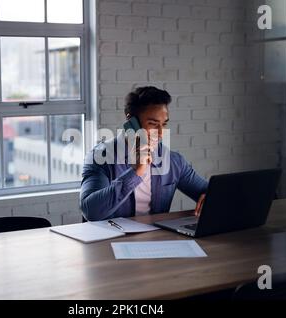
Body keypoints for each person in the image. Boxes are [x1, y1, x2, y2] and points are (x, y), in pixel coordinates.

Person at [80, 86, 207, 221]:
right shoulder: (100, 157)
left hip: (156, 239)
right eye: (153, 124)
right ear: (131, 122)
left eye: (163, 124)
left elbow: (210, 192)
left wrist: (212, 198)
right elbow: (91, 212)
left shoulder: (173, 161)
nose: (160, 133)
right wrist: (135, 172)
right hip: (110, 240)